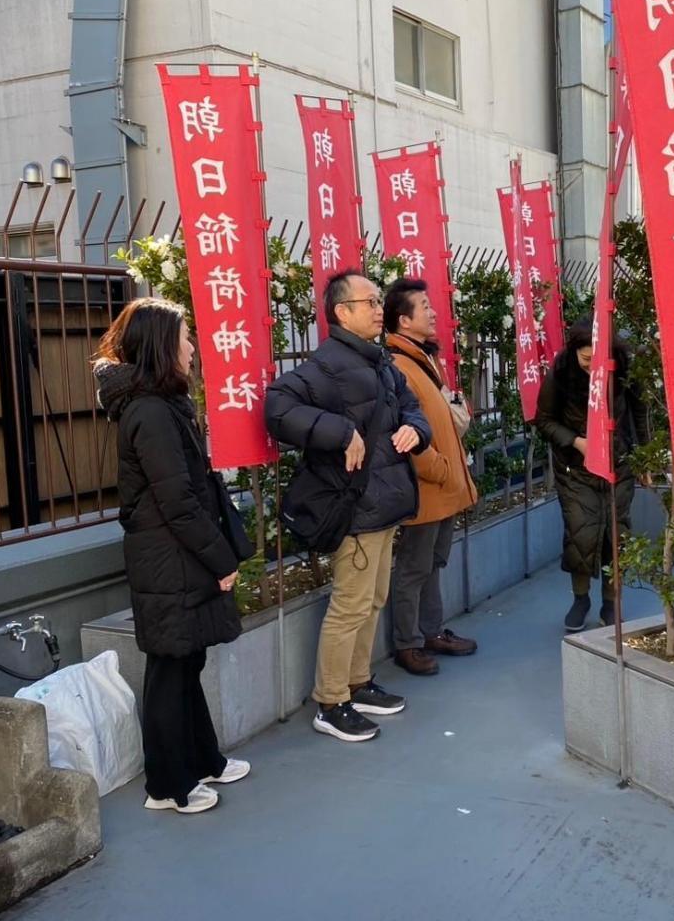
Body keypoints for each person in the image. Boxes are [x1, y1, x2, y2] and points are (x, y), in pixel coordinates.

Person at [94, 298, 250, 814]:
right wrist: (221, 559)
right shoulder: (151, 412)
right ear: (163, 346)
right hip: (171, 559)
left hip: (176, 558)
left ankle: (204, 759)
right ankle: (166, 786)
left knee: (186, 660)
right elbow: (178, 501)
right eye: (184, 337)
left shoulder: (161, 403)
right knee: (170, 667)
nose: (191, 347)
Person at [265, 270, 430, 743]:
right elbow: (276, 406)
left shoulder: (379, 361)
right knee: (351, 606)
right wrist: (341, 432)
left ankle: (358, 683)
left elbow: (413, 408)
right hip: (355, 507)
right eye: (370, 301)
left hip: (384, 503)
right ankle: (331, 700)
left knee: (372, 600)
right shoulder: (328, 364)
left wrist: (415, 430)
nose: (380, 308)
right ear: (342, 312)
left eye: (379, 300)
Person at [383, 278, 478, 676]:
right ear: (404, 321)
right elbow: (405, 431)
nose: (433, 311)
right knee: (414, 567)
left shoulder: (422, 358)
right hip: (428, 486)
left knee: (434, 562)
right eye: (424, 306)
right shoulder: (398, 365)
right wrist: (437, 468)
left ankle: (431, 631)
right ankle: (408, 644)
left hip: (444, 484)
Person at [535, 316, 650, 632]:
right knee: (581, 533)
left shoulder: (625, 368)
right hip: (576, 467)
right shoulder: (560, 374)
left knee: (617, 533)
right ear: (574, 352)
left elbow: (640, 412)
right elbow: (544, 420)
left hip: (619, 463)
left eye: (597, 360)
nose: (590, 366)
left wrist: (644, 457)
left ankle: (611, 601)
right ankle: (580, 598)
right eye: (585, 359)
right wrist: (576, 441)